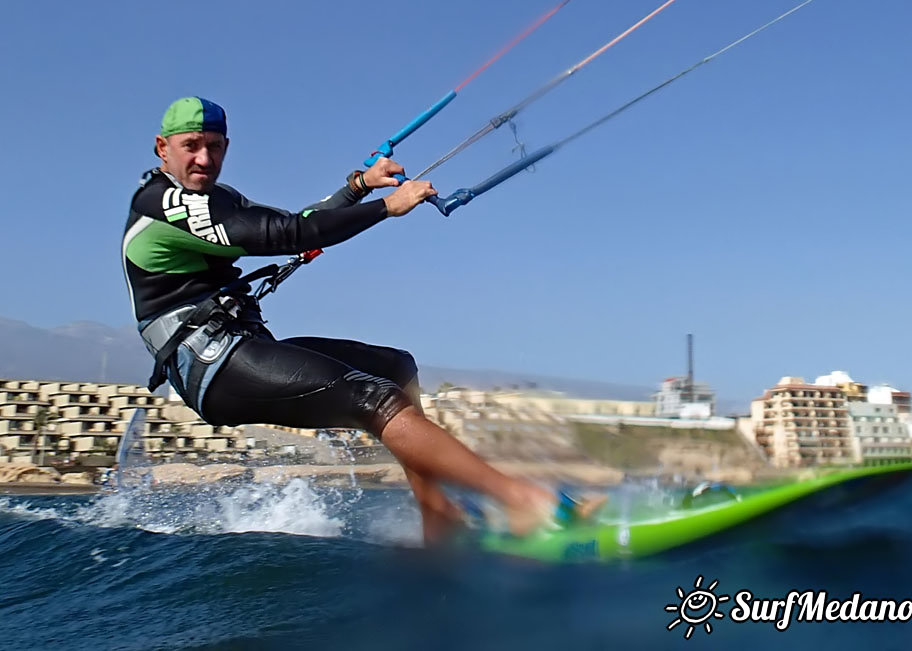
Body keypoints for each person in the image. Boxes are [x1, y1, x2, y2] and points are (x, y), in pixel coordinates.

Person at [122, 97, 600, 542]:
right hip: (210, 365)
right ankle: (523, 501)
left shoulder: (213, 197)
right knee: (375, 397)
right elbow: (287, 233)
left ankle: (439, 518)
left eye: (215, 147)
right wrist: (387, 206)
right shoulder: (165, 203)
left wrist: (358, 188)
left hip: (240, 344)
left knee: (396, 368)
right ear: (163, 148)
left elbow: (298, 220)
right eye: (191, 147)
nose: (204, 158)